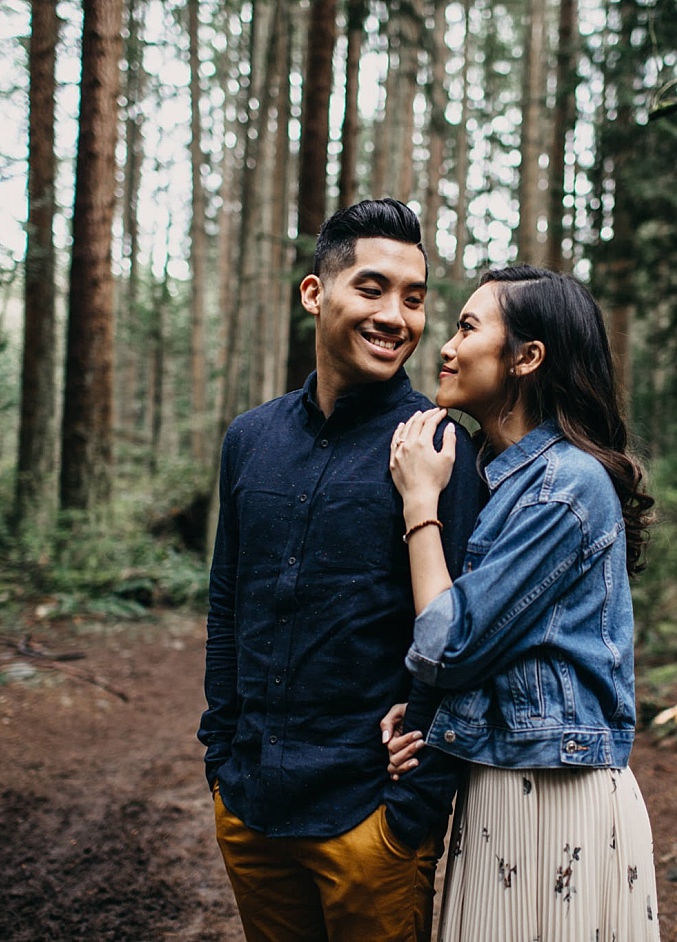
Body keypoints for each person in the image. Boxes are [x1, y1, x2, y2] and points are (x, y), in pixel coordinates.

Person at [200, 198, 485, 941]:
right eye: (372, 288)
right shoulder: (250, 439)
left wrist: (411, 810)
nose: (397, 316)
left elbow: (457, 634)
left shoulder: (440, 447)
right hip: (251, 807)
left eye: (415, 299)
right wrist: (221, 760)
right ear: (314, 292)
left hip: (370, 821)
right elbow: (229, 604)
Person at [387, 265, 660, 940]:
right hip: (504, 782)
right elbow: (498, 652)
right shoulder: (493, 476)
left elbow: (452, 646)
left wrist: (419, 506)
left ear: (527, 358)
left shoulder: (564, 485)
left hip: (555, 793)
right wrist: (428, 713)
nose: (446, 347)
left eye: (469, 327)